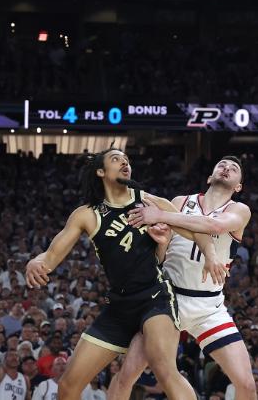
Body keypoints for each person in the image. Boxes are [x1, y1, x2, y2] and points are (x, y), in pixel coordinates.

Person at [23, 149, 196, 400]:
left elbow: (192, 230)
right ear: (101, 171)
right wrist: (34, 262)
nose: (125, 161)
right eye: (116, 159)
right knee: (68, 386)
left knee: (164, 370)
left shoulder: (148, 200)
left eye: (127, 159)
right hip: (119, 306)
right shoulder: (87, 214)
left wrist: (207, 252)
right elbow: (50, 256)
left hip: (155, 296)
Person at [109, 156, 257, 400]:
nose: (227, 168)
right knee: (127, 374)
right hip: (168, 300)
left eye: (234, 168)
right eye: (221, 165)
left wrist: (160, 215)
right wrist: (161, 240)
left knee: (246, 385)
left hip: (209, 307)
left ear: (238, 187)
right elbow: (162, 253)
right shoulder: (180, 202)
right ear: (210, 177)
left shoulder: (239, 210)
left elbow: (214, 226)